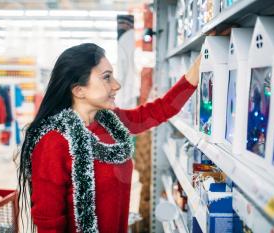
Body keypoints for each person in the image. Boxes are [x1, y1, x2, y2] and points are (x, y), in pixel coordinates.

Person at [17, 43, 201, 233]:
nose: (117, 85)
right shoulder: (52, 142)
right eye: (106, 77)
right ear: (78, 90)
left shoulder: (111, 123)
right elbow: (49, 222)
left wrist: (199, 64)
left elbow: (159, 110)